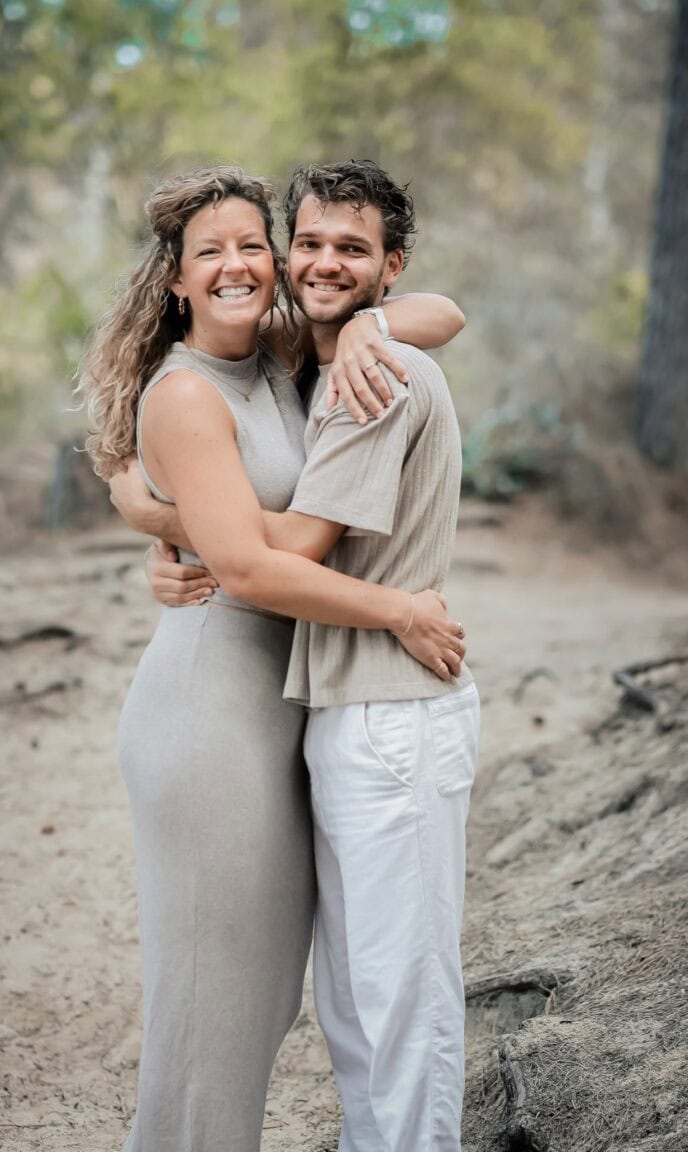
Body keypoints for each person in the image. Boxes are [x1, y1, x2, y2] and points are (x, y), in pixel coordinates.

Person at [81, 164, 467, 1152]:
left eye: (253, 243)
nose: (237, 265)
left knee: (258, 1010)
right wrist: (396, 610)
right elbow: (252, 566)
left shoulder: (288, 351)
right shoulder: (185, 394)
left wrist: (375, 325)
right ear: (174, 277)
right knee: (212, 1019)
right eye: (210, 251)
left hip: (280, 708)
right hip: (210, 717)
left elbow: (447, 312)